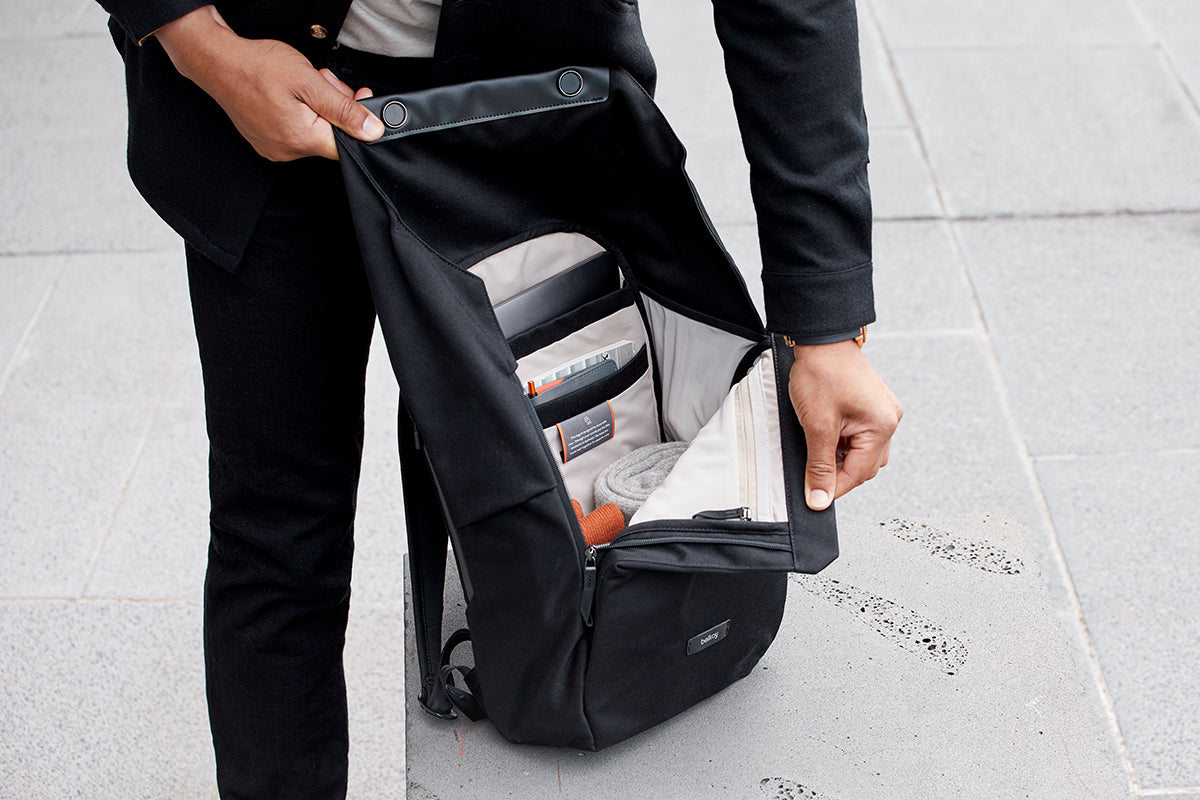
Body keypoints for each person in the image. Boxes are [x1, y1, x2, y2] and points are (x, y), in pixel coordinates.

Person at [97, 0, 902, 796]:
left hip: (536, 115)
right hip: (265, 94)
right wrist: (202, 47)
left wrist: (826, 324)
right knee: (274, 531)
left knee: (574, 468)